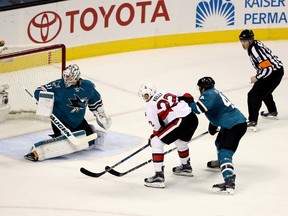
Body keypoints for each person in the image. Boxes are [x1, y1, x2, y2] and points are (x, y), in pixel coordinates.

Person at [24, 64, 111, 161]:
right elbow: (38, 91)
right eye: (65, 75)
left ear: (76, 76)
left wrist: (101, 115)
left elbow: (95, 101)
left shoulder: (88, 87)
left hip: (78, 121)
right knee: (65, 141)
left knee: (90, 141)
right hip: (60, 121)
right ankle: (38, 153)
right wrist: (44, 98)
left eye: (68, 76)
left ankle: (69, 139)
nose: (65, 78)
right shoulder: (57, 85)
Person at [189, 77, 247, 194]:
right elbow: (220, 109)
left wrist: (189, 102)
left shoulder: (208, 94)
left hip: (233, 126)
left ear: (202, 87)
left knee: (225, 151)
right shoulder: (215, 93)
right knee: (219, 143)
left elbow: (198, 109)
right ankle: (221, 162)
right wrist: (213, 123)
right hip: (234, 123)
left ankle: (229, 181)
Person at [138, 83, 198, 188]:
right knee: (180, 142)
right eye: (144, 95)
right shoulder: (165, 91)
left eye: (146, 95)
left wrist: (153, 137)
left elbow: (158, 129)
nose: (145, 97)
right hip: (192, 118)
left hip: (179, 121)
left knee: (156, 142)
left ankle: (158, 176)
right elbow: (187, 95)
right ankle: (186, 166)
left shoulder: (150, 108)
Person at [239, 29, 284, 132]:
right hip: (276, 71)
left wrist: (257, 77)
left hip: (273, 73)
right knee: (264, 91)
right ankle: (272, 111)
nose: (242, 44)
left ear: (250, 41)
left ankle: (252, 121)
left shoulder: (255, 50)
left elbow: (268, 68)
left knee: (253, 95)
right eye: (241, 41)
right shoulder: (255, 44)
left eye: (244, 41)